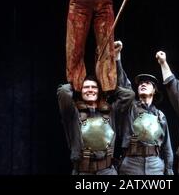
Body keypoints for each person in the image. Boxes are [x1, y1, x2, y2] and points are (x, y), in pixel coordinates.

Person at [57, 41, 133, 175]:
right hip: (82, 172)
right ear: (81, 91)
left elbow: (129, 95)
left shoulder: (110, 112)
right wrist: (77, 83)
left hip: (107, 171)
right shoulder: (73, 113)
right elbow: (63, 92)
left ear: (99, 91)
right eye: (86, 87)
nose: (90, 90)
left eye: (94, 87)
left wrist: (108, 86)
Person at [115, 42, 174, 175]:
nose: (143, 84)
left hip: (155, 164)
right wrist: (117, 56)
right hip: (131, 163)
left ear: (154, 90)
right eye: (140, 83)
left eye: (147, 83)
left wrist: (169, 170)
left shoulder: (160, 115)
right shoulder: (129, 108)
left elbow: (167, 146)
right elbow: (124, 85)